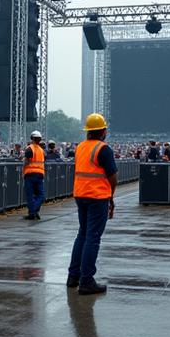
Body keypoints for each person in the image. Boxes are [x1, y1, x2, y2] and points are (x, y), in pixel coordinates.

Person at [67, 113, 118, 295]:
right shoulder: (103, 149)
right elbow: (112, 176)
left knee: (82, 234)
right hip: (97, 196)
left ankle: (73, 276)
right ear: (103, 131)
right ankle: (87, 281)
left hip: (80, 195)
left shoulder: (81, 147)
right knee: (93, 237)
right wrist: (111, 197)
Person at [23, 130, 46, 220]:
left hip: (30, 174)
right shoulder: (42, 151)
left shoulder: (29, 149)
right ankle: (34, 211)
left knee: (30, 194)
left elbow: (26, 162)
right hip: (39, 175)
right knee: (40, 195)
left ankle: (32, 211)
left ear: (32, 139)